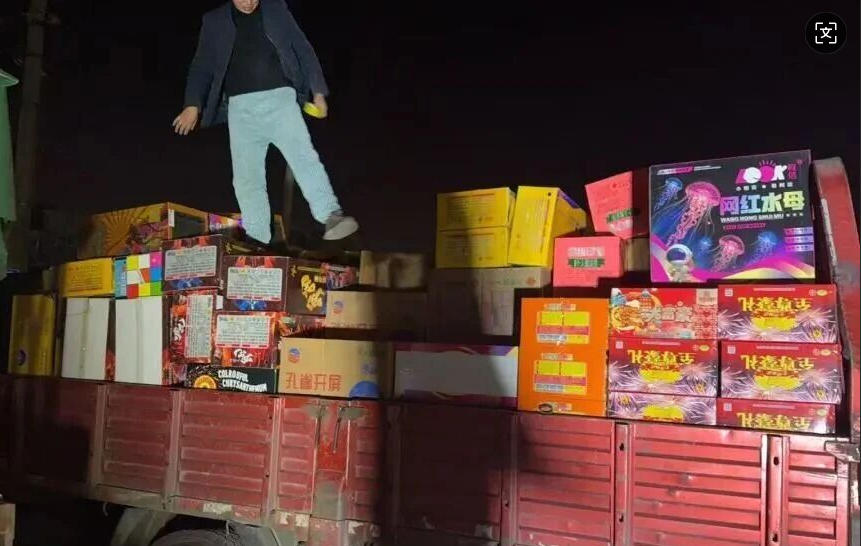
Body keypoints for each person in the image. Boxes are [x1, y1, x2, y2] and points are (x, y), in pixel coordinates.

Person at [173, 0, 358, 244]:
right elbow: (202, 66)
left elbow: (302, 48)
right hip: (240, 110)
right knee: (247, 178)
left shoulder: (276, 9)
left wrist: (318, 91)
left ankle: (330, 215)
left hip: (281, 101)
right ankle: (257, 237)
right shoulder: (214, 21)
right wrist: (192, 104)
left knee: (303, 157)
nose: (249, 3)